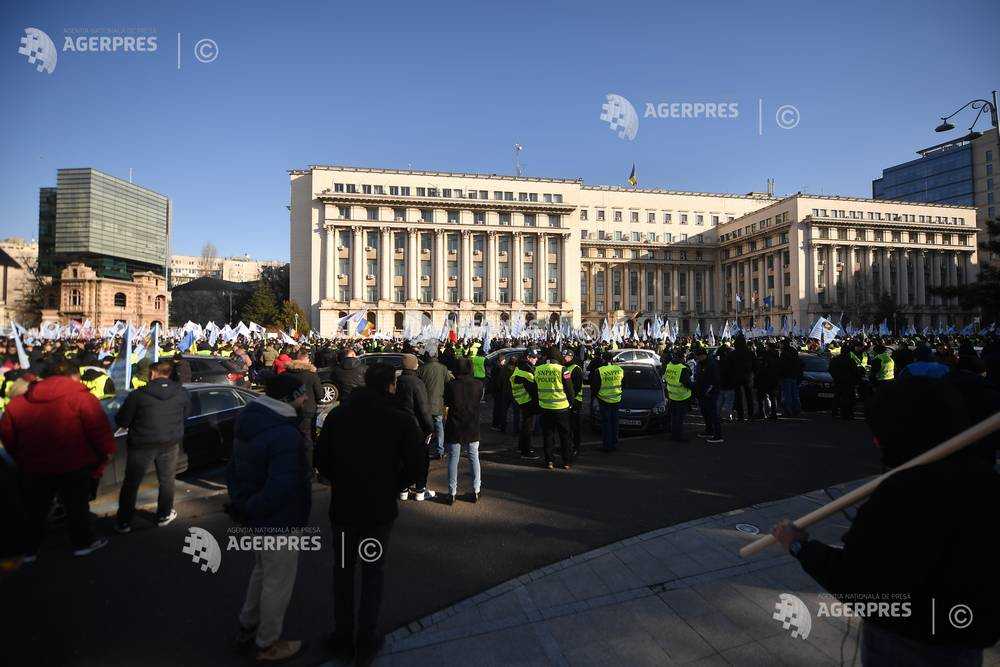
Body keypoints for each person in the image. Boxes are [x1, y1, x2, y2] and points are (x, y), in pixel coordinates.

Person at [771, 376, 999, 665]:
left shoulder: (906, 493)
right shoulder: (988, 481)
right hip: (966, 641)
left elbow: (861, 581)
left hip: (907, 642)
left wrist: (800, 547)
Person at [315, 364, 424, 666]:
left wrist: (341, 479)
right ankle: (366, 639)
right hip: (377, 513)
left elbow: (321, 461)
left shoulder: (338, 415)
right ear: (391, 386)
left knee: (343, 572)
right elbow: (417, 466)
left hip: (345, 509)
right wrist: (395, 485)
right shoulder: (399, 419)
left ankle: (342, 633)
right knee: (372, 573)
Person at [227, 374, 311, 663]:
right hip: (279, 518)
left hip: (256, 513)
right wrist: (256, 507)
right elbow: (282, 486)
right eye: (301, 395)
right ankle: (267, 643)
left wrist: (243, 504)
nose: (306, 399)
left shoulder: (250, 419)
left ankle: (247, 625)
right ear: (287, 399)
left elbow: (233, 469)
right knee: (278, 581)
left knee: (261, 572)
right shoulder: (284, 433)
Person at [0, 359, 115, 559]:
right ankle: (83, 543)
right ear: (73, 376)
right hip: (75, 465)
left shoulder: (20, 401)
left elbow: (7, 434)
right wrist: (106, 453)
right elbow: (99, 430)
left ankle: (29, 550)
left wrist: (20, 457)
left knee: (35, 510)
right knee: (77, 507)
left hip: (34, 466)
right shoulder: (82, 398)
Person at [114, 360, 191, 532]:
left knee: (132, 483)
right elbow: (186, 414)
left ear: (153, 373)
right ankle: (163, 514)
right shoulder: (181, 392)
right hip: (169, 442)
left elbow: (122, 420)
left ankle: (124, 521)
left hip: (142, 443)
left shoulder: (138, 395)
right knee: (166, 480)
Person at [443, 357, 483, 505]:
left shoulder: (451, 385)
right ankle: (476, 490)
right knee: (474, 457)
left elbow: (446, 403)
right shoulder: (479, 384)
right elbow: (479, 400)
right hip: (472, 425)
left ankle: (451, 492)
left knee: (453, 459)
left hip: (455, 425)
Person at [395, 354, 435, 501]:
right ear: (415, 365)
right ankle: (420, 489)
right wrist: (430, 427)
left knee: (403, 458)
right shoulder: (417, 383)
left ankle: (403, 488)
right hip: (416, 427)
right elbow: (423, 408)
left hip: (400, 425)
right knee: (421, 459)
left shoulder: (398, 381)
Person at [283, 349, 326, 466]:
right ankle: (308, 468)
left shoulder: (285, 374)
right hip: (308, 410)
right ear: (306, 360)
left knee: (289, 438)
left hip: (288, 410)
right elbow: (320, 394)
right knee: (307, 440)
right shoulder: (311, 375)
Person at [534, 347, 574, 470]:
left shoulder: (538, 369)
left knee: (548, 435)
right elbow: (569, 389)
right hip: (561, 407)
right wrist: (571, 403)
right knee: (565, 436)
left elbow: (536, 388)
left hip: (545, 407)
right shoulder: (563, 369)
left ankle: (549, 461)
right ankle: (566, 461)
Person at [417, 345, 452, 459]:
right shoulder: (443, 368)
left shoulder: (422, 368)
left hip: (425, 403)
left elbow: (418, 385)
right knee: (439, 427)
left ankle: (423, 449)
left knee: (425, 427)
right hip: (438, 403)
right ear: (437, 355)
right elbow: (448, 381)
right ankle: (440, 451)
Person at [510, 350, 541, 460]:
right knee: (528, 427)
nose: (536, 359)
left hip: (521, 400)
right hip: (527, 402)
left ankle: (522, 447)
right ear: (528, 357)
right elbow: (533, 391)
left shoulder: (520, 367)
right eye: (534, 357)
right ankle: (526, 451)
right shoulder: (527, 372)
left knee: (525, 426)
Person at [591, 351, 623, 452]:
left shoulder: (600, 371)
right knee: (615, 422)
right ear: (612, 359)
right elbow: (623, 383)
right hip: (616, 399)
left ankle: (607, 445)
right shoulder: (619, 369)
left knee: (606, 423)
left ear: (603, 359)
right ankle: (614, 443)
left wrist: (595, 396)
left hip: (604, 400)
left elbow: (595, 387)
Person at [663, 347, 694, 441]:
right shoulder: (683, 368)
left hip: (672, 395)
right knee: (680, 418)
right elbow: (687, 383)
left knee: (673, 417)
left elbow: (665, 378)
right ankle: (678, 436)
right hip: (682, 396)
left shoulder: (669, 365)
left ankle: (673, 435)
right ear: (682, 358)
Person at [693, 346, 723, 444]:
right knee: (705, 413)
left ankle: (718, 435)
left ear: (703, 355)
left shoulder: (712, 364)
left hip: (710, 393)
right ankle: (709, 430)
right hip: (701, 392)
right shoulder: (700, 364)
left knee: (713, 414)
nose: (697, 359)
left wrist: (708, 390)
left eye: (698, 357)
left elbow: (715, 380)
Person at [561, 348, 585, 457]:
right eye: (563, 356)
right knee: (567, 426)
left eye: (566, 356)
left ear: (571, 357)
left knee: (575, 426)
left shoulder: (576, 369)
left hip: (575, 401)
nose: (564, 358)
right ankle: (568, 446)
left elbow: (577, 387)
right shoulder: (564, 368)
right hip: (566, 401)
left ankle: (576, 447)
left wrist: (570, 400)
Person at [777, 341, 803, 417]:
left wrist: (780, 375)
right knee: (795, 394)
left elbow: (781, 365)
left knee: (787, 395)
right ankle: (797, 410)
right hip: (794, 376)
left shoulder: (784, 353)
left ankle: (788, 411)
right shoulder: (794, 352)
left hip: (786, 376)